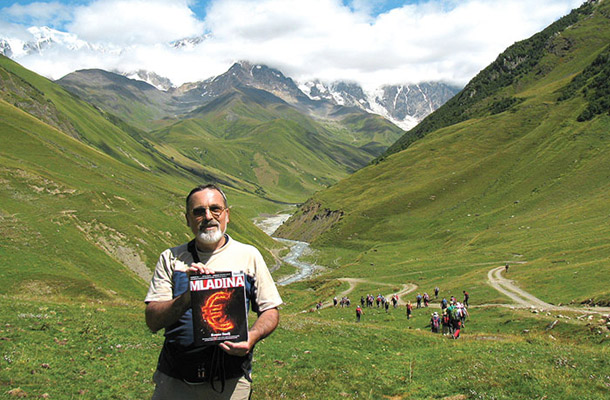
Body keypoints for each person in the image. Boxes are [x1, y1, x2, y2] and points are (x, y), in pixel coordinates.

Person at [144, 184, 282, 400]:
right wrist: (188, 297)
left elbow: (270, 310)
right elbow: (152, 320)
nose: (208, 216)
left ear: (227, 215)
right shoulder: (170, 258)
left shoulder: (249, 256)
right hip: (175, 381)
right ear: (188, 219)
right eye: (198, 211)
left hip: (231, 382)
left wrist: (252, 337)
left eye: (215, 209)